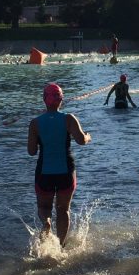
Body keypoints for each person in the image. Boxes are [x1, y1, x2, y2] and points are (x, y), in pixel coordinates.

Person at [27, 83, 92, 247]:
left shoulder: (35, 123)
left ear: (44, 100)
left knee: (44, 207)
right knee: (63, 210)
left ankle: (46, 223)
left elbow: (31, 151)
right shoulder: (69, 118)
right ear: (61, 100)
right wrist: (88, 136)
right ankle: (61, 246)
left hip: (44, 171)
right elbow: (81, 141)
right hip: (66, 171)